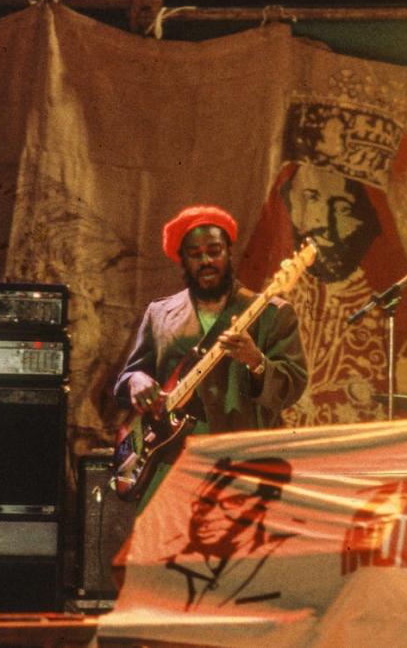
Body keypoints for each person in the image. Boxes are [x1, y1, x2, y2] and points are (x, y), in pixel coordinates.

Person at [115, 204, 308, 443]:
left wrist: (256, 362)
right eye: (195, 254)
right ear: (183, 261)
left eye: (214, 251)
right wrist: (136, 380)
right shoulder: (159, 314)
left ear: (229, 252)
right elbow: (129, 376)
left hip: (242, 457)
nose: (206, 260)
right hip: (170, 456)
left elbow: (292, 388)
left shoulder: (273, 314)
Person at [164, 456, 295, 610]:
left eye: (233, 502)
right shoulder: (164, 555)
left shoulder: (285, 571)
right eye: (207, 502)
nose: (208, 516)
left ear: (267, 505)